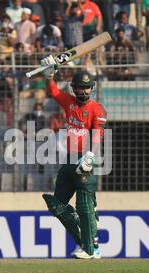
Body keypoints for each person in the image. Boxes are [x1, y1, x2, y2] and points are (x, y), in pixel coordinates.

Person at [39, 54, 107, 259]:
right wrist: (50, 75)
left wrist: (90, 155)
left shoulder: (97, 109)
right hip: (69, 159)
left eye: (87, 88)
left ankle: (90, 247)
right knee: (57, 205)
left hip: (84, 159)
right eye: (80, 87)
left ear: (92, 89)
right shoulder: (68, 101)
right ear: (74, 88)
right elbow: (53, 91)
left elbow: (98, 133)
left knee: (83, 204)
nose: (84, 91)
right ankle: (87, 236)